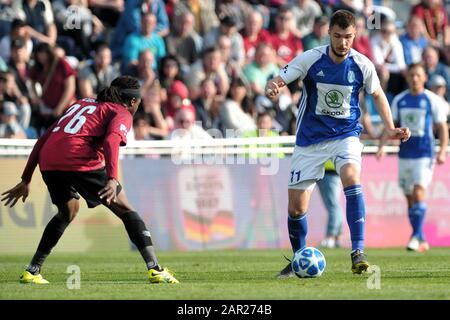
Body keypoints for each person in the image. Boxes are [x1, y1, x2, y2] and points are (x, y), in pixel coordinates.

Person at [265, 10, 411, 277]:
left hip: (346, 135)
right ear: (328, 33)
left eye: (348, 37)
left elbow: (377, 94)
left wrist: (389, 127)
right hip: (310, 139)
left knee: (352, 178)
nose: (343, 43)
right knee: (296, 208)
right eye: (337, 36)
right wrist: (273, 87)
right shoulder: (311, 58)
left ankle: (358, 252)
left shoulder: (362, 64)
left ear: (354, 36)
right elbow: (280, 78)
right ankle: (299, 258)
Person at [0, 76, 179, 284]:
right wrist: (112, 178)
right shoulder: (121, 112)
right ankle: (155, 269)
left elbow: (44, 138)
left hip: (49, 160)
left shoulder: (82, 103)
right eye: (138, 102)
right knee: (127, 210)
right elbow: (112, 139)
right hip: (78, 158)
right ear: (132, 101)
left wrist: (26, 178)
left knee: (68, 211)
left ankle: (32, 270)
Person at [376, 63, 448, 252]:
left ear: (425, 78)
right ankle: (420, 237)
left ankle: (415, 237)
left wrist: (441, 151)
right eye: (411, 75)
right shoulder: (400, 100)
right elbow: (391, 125)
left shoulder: (432, 100)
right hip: (405, 155)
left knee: (418, 192)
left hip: (424, 154)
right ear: (407, 78)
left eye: (418, 75)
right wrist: (382, 146)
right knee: (409, 198)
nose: (414, 78)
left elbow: (442, 127)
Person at [317, 160, 343, 249]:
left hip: (328, 171)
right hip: (333, 171)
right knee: (335, 206)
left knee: (333, 206)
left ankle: (330, 238)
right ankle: (336, 238)